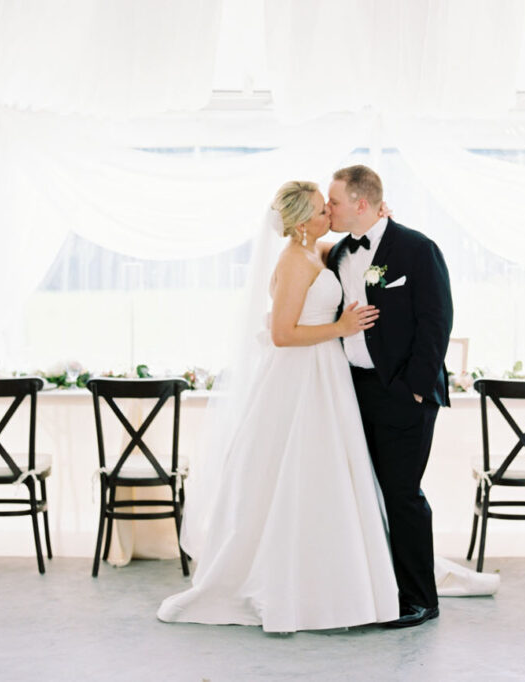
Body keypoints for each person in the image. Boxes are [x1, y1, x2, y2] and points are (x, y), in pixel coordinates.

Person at [157, 181, 400, 632]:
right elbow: (282, 334)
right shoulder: (292, 261)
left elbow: (352, 243)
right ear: (302, 221)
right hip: (300, 377)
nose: (329, 211)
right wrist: (342, 326)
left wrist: (378, 217)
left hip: (326, 377)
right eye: (321, 209)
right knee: (294, 473)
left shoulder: (315, 252)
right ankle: (292, 586)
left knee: (327, 474)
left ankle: (337, 580)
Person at [326, 164, 454, 628]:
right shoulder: (336, 252)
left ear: (362, 203)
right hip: (351, 391)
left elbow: (436, 322)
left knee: (402, 495)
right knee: (364, 494)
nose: (328, 207)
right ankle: (378, 591)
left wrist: (415, 391)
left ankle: (421, 599)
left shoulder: (418, 249)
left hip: (404, 394)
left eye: (334, 201)